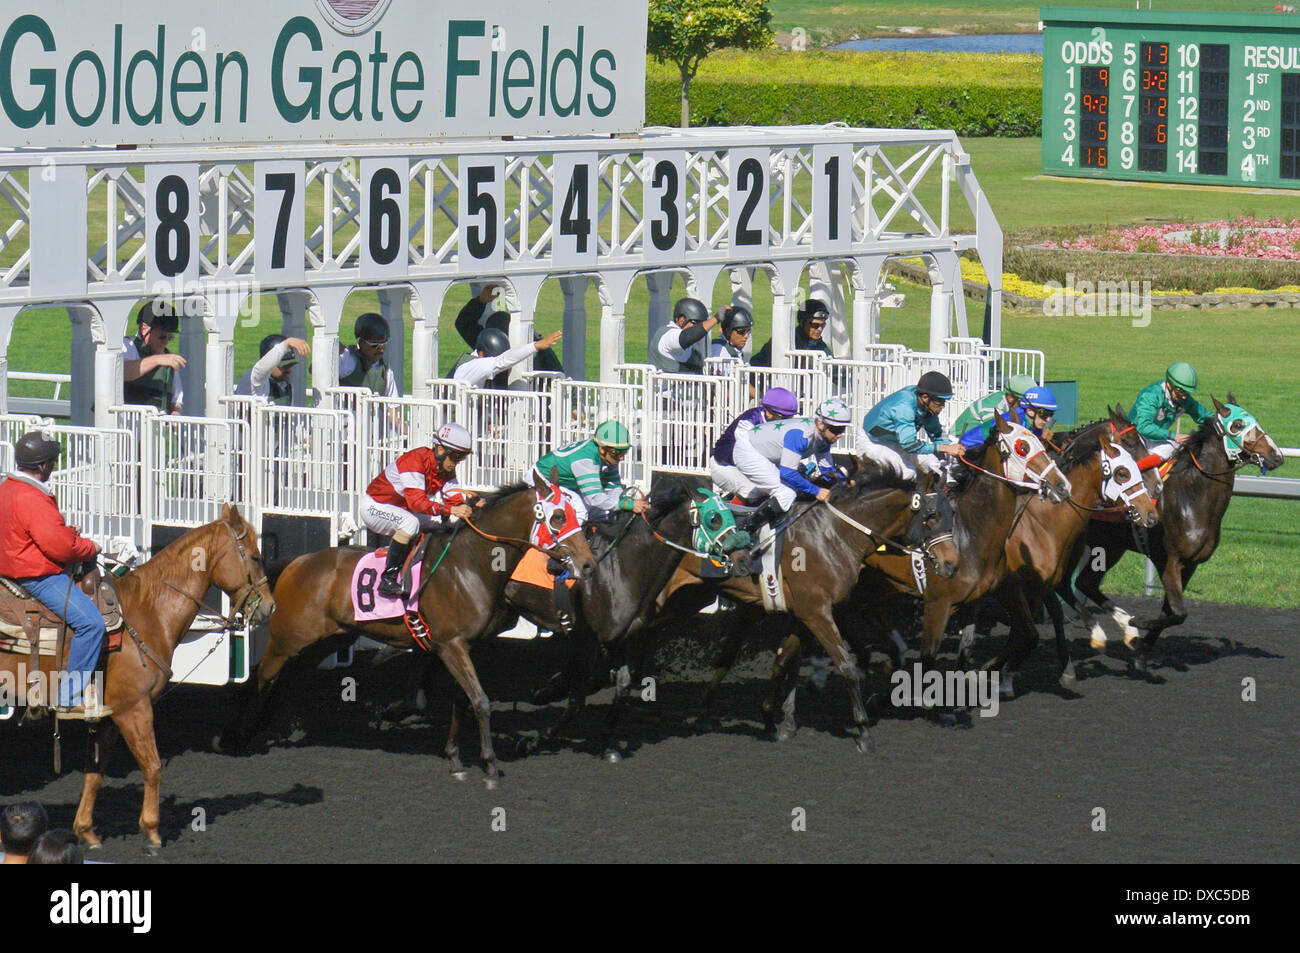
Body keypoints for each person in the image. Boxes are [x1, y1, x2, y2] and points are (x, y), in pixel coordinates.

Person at [0, 433, 108, 718]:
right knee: (92, 624)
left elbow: (34, 533)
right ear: (44, 465)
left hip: (11, 566)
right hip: (36, 576)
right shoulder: (33, 497)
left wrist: (64, 532)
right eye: (53, 463)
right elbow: (60, 548)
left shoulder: (7, 487)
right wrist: (89, 547)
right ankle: (68, 697)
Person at [361, 423, 479, 597]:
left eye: (461, 458)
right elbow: (417, 503)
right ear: (440, 450)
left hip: (400, 509)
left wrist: (472, 505)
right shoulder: (414, 460)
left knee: (442, 523)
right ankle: (388, 579)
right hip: (374, 506)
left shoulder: (446, 470)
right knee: (410, 524)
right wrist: (450, 509)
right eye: (455, 456)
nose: (456, 463)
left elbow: (455, 499)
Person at [734, 398, 852, 529]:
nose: (840, 435)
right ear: (820, 424)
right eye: (836, 430)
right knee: (787, 493)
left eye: (842, 429)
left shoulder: (823, 437)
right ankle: (746, 530)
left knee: (800, 485)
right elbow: (787, 474)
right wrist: (816, 491)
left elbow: (827, 471)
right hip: (747, 451)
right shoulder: (801, 435)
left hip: (765, 452)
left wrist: (845, 483)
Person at [532, 421, 650, 523]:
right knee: (581, 510)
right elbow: (594, 499)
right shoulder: (586, 461)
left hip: (567, 484)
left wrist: (625, 502)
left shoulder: (607, 457)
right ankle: (565, 546)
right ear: (601, 448)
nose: (621, 458)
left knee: (604, 512)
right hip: (542, 480)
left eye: (623, 452)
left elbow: (613, 489)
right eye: (616, 453)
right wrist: (628, 505)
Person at [860, 371, 965, 482]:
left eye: (945, 401)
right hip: (873, 443)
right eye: (940, 402)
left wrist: (955, 446)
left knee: (933, 465)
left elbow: (937, 435)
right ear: (925, 397)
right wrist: (945, 448)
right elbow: (909, 444)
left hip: (897, 442)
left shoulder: (925, 404)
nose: (943, 406)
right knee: (907, 473)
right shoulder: (904, 407)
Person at [709, 387, 799, 501]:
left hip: (747, 467)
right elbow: (750, 452)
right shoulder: (750, 420)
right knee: (753, 490)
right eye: (783, 417)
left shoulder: (778, 423)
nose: (786, 421)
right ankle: (739, 519)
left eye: (789, 417)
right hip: (725, 465)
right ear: (769, 411)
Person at [455, 283, 563, 374]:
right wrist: (481, 301)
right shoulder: (489, 344)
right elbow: (463, 324)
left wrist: (481, 300)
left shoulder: (487, 345)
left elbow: (463, 324)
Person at [1131, 361, 1214, 462]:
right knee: (1172, 446)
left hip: (1154, 439)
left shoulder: (1183, 399)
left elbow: (1205, 416)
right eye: (1180, 391)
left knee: (1180, 448)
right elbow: (1143, 426)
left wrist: (1226, 420)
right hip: (1134, 437)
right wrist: (1174, 436)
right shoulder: (1151, 396)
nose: (1184, 396)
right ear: (1169, 384)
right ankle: (1136, 472)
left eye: (1186, 392)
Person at [122, 299, 184, 414]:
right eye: (161, 337)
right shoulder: (128, 345)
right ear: (144, 328)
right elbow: (123, 372)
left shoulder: (167, 358)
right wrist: (158, 360)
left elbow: (176, 400)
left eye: (169, 338)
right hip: (126, 425)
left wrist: (175, 413)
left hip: (155, 427)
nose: (165, 342)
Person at [451, 327, 564, 389]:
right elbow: (502, 361)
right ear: (481, 353)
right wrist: (536, 346)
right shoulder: (475, 365)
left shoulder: (474, 365)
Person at [958, 384, 1058, 453]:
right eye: (1044, 413)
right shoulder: (1013, 422)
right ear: (1030, 411)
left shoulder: (1030, 422)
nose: (1048, 419)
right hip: (967, 450)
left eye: (1051, 414)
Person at [751, 297, 833, 367]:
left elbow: (836, 370)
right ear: (802, 322)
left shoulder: (820, 345)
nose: (820, 329)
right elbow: (756, 363)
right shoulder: (785, 340)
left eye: (823, 325)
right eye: (815, 325)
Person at [950, 373, 1037, 439]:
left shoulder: (1006, 400)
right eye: (1024, 403)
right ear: (1011, 398)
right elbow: (999, 436)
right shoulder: (992, 407)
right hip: (957, 441)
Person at [650, 297, 719, 373]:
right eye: (696, 323)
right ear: (681, 320)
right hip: (665, 384)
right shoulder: (668, 336)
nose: (698, 328)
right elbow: (684, 338)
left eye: (701, 324)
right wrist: (716, 318)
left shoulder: (692, 345)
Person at [236, 334, 311, 404]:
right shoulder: (255, 380)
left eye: (289, 366)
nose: (288, 370)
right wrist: (286, 344)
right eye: (283, 366)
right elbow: (264, 366)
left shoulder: (286, 386)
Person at [338, 312, 399, 396]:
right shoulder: (348, 358)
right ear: (361, 342)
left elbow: (393, 405)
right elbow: (316, 370)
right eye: (374, 345)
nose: (381, 350)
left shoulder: (386, 371)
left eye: (383, 344)